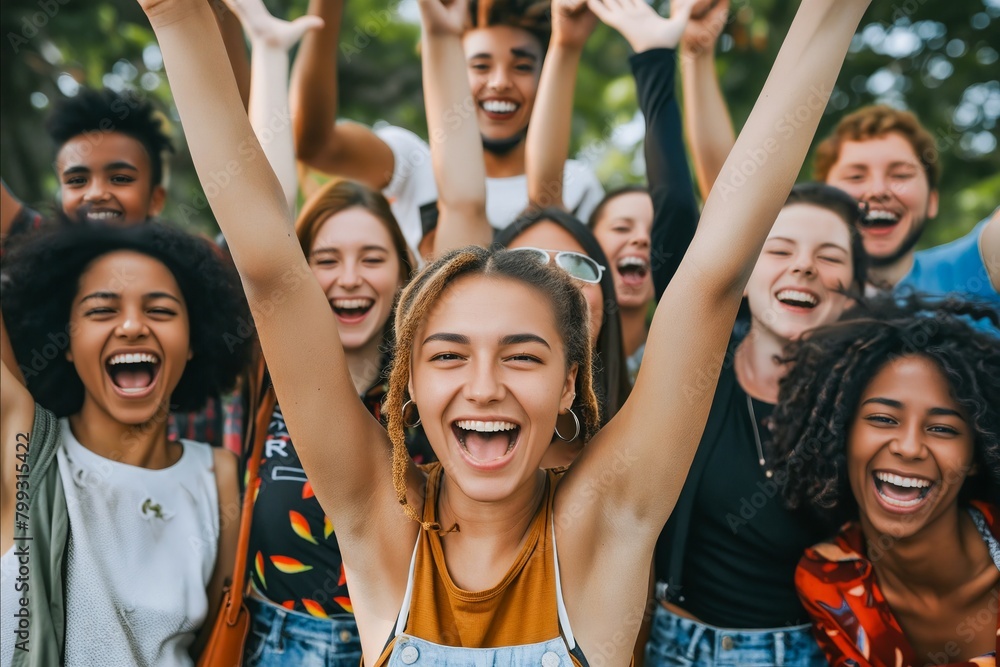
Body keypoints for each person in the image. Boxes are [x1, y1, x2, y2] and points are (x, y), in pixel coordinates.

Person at [140, 0, 872, 663]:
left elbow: (715, 273)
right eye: (449, 354)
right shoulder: (378, 515)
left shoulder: (604, 520)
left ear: (567, 387)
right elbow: (270, 266)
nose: (484, 386)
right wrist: (175, 17)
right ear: (408, 388)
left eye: (522, 355)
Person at [0, 223, 251, 666]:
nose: (133, 326)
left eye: (160, 310)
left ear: (193, 342)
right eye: (101, 311)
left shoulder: (219, 475)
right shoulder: (26, 452)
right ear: (67, 342)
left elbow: (212, 646)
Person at [243, 177, 438, 666]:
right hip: (275, 645)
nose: (349, 278)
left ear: (402, 274)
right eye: (326, 261)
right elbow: (262, 215)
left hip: (405, 648)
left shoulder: (434, 400)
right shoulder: (263, 383)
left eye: (372, 259)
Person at [678, 8, 1000, 302]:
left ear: (932, 200)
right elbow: (733, 191)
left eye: (900, 175)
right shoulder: (798, 289)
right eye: (856, 175)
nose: (878, 190)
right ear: (824, 203)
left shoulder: (978, 267)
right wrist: (698, 51)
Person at [770, 297, 1000, 665]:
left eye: (942, 428)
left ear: (975, 457)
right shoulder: (830, 580)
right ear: (841, 434)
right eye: (883, 419)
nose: (909, 448)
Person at [289, 0, 605, 257]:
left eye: (522, 67)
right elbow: (314, 144)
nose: (499, 83)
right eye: (480, 66)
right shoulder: (411, 161)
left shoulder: (577, 185)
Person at [1, 87, 172, 247]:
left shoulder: (185, 269)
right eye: (77, 180)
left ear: (155, 200)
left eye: (120, 178)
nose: (95, 194)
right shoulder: (32, 252)